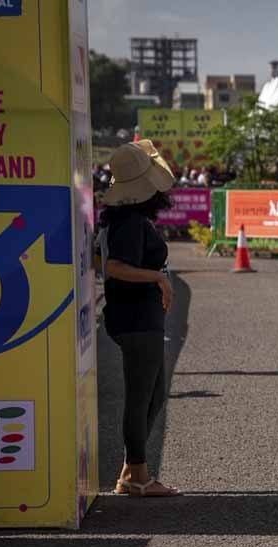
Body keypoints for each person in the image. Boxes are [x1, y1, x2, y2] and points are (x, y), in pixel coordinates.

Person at [98, 140, 180, 497]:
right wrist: (158, 278)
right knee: (141, 397)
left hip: (137, 318)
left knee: (153, 394)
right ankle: (138, 477)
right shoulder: (131, 222)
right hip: (136, 319)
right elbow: (115, 268)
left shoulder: (126, 219)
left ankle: (133, 470)